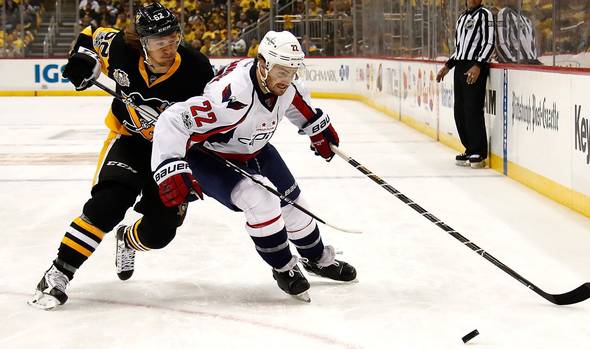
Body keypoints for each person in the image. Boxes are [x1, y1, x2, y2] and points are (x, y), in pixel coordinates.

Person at [28, 2, 214, 310]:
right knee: (108, 203)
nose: (167, 47)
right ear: (142, 42)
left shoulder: (197, 68)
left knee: (160, 233)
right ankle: (58, 273)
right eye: (158, 41)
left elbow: (213, 115)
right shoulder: (119, 47)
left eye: (173, 38)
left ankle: (127, 239)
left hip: (170, 154)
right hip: (128, 139)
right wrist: (83, 60)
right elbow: (89, 35)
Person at [150, 30, 357, 301]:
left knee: (297, 207)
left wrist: (318, 128)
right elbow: (174, 120)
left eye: (293, 71)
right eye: (282, 71)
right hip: (215, 158)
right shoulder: (232, 97)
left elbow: (297, 104)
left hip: (257, 149)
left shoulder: (284, 84)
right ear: (263, 64)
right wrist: (169, 165)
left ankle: (317, 259)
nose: (287, 79)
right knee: (261, 202)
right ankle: (283, 267)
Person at [436, 0, 495, 168]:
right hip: (460, 66)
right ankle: (469, 148)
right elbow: (460, 48)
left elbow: (489, 43)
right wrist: (448, 66)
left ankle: (479, 151)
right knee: (460, 109)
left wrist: (478, 65)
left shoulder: (485, 15)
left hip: (475, 66)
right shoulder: (462, 17)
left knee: (472, 108)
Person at [495, 0, 542, 64]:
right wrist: (511, 62)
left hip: (529, 64)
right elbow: (501, 42)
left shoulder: (526, 20)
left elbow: (532, 45)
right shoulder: (504, 13)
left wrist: (534, 60)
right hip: (515, 64)